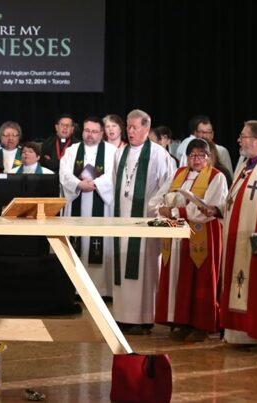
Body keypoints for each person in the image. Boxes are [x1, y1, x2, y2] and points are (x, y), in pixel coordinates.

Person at [203, 120, 257, 352]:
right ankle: (241, 335)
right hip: (239, 241)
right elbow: (236, 199)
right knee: (241, 287)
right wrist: (217, 209)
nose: (239, 140)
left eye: (243, 136)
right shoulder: (246, 166)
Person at [150, 138, 228, 342]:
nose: (196, 159)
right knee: (179, 278)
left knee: (201, 279)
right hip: (176, 235)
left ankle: (201, 326)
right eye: (192, 155)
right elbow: (157, 198)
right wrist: (161, 208)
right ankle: (181, 322)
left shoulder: (216, 177)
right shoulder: (178, 174)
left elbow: (206, 210)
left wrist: (175, 210)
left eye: (201, 155)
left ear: (209, 157)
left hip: (202, 234)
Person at [111, 109, 175, 335]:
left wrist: (155, 211)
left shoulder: (159, 155)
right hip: (122, 222)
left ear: (147, 129)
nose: (130, 131)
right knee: (122, 268)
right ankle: (122, 316)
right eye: (128, 127)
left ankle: (144, 318)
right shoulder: (120, 154)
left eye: (135, 127)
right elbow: (116, 186)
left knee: (144, 270)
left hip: (146, 223)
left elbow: (168, 188)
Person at [59, 117, 117, 297]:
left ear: (101, 133)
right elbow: (64, 173)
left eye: (94, 131)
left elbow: (113, 175)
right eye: (86, 130)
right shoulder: (71, 151)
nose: (89, 135)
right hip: (77, 200)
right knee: (77, 245)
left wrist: (95, 183)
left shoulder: (112, 151)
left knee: (98, 244)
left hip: (100, 203)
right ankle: (74, 289)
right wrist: (78, 184)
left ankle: (101, 289)